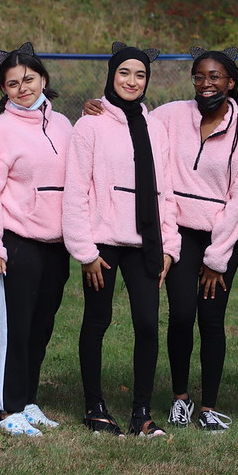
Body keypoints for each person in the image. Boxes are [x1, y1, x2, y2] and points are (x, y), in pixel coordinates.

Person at [87, 48, 238, 431]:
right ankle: (180, 398)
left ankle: (210, 407)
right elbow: (132, 116)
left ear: (232, 83)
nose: (206, 84)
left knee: (212, 320)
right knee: (182, 315)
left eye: (215, 77)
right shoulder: (171, 115)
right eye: (199, 76)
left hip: (221, 238)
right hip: (180, 234)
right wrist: (95, 107)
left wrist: (217, 258)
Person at [63, 42, 180, 438]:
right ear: (111, 76)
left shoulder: (154, 125)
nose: (132, 81)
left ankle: (141, 413)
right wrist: (84, 250)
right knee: (98, 321)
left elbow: (166, 190)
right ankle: (94, 407)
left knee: (148, 325)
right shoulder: (90, 123)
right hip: (102, 244)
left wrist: (169, 245)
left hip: (145, 242)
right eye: (124, 73)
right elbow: (76, 189)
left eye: (140, 75)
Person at [0, 43, 73, 437]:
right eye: (12, 84)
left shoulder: (63, 124)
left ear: (43, 79)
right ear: (4, 90)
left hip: (56, 244)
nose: (22, 88)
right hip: (17, 243)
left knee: (40, 326)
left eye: (28, 79)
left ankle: (28, 400)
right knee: (14, 328)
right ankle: (6, 408)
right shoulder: (0, 131)